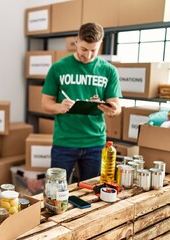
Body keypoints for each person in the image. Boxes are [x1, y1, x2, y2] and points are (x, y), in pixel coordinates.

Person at [41, 22, 122, 182]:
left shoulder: (109, 71)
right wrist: (59, 106)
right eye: (84, 49)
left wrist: (113, 110)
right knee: (56, 193)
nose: (88, 55)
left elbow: (116, 106)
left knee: (93, 194)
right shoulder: (58, 68)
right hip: (64, 142)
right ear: (76, 40)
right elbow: (45, 104)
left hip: (96, 143)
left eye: (94, 50)